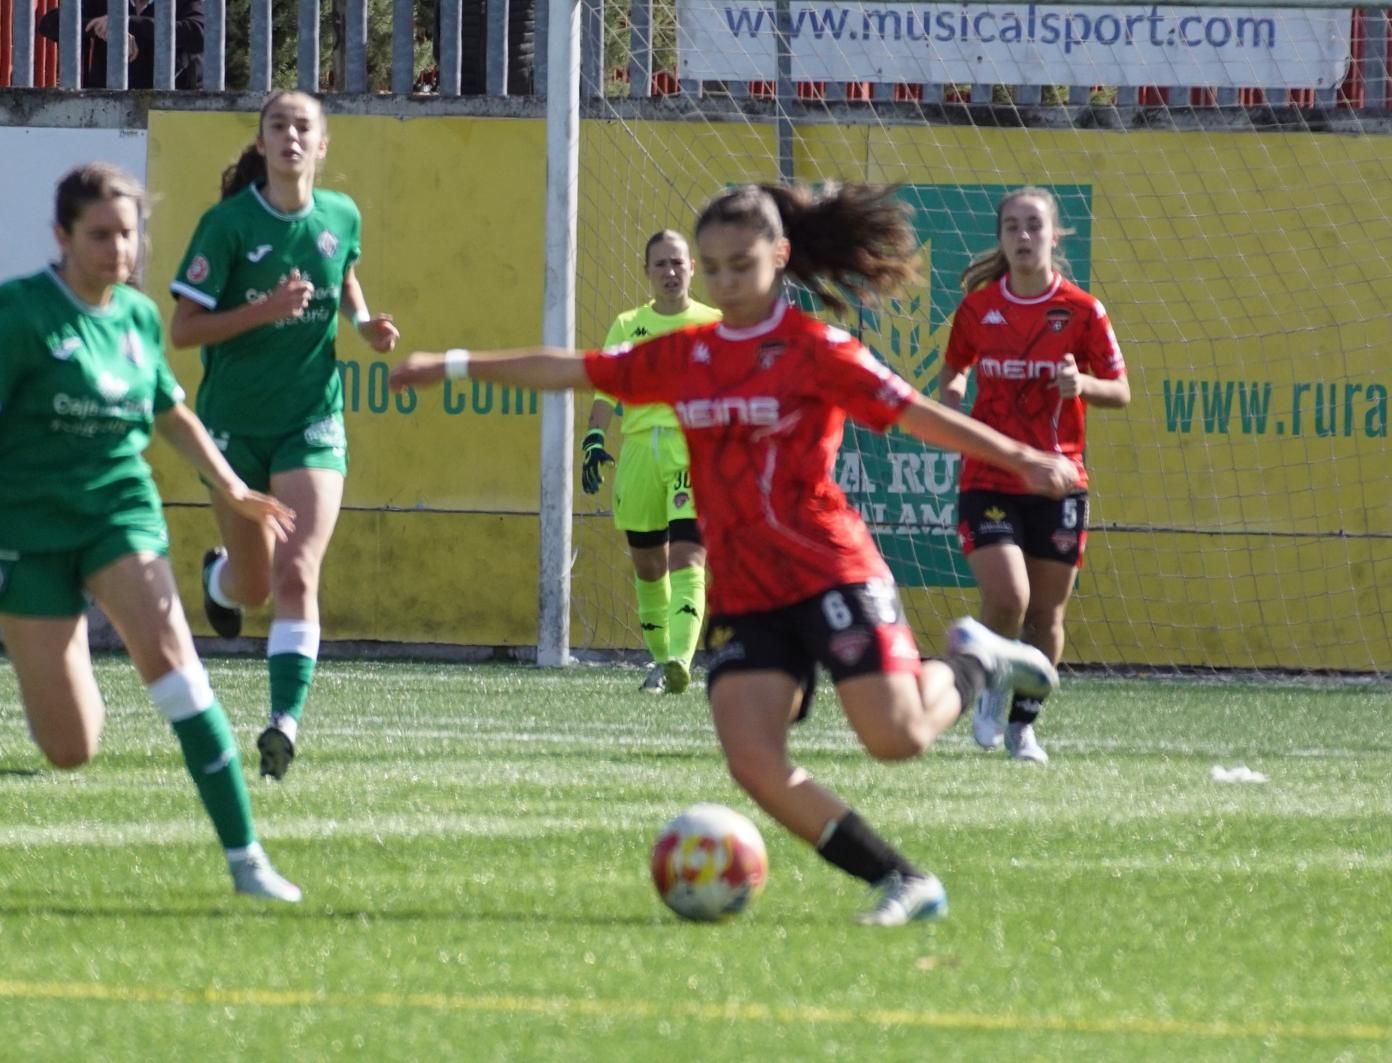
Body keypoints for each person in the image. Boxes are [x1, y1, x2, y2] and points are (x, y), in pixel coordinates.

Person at [391, 182, 1078, 926]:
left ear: (779, 258)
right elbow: (571, 368)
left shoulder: (819, 351)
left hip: (829, 568)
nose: (721, 282)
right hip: (749, 589)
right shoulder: (683, 355)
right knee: (752, 760)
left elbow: (916, 415)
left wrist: (1020, 458)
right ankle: (903, 880)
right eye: (711, 268)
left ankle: (972, 661)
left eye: (739, 266)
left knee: (897, 736)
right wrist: (453, 364)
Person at [0, 162, 302, 903]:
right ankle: (65, 648)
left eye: (127, 234)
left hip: (117, 514)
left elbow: (169, 409)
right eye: (99, 235)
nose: (116, 250)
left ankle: (247, 858)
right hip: (23, 530)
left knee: (178, 668)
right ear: (62, 236)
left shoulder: (135, 316)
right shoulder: (19, 312)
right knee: (71, 750)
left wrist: (231, 487)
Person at [169, 90, 399, 783]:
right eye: (279, 125)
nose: (291, 136)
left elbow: (347, 278)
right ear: (263, 143)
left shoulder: (341, 215)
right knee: (254, 585)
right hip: (233, 430)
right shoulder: (228, 225)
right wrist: (265, 310)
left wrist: (364, 326)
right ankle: (218, 577)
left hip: (311, 421)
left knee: (298, 572)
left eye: (304, 126)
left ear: (322, 145)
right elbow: (183, 329)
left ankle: (282, 724)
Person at [939, 186, 1131, 764]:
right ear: (1000, 239)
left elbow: (1120, 391)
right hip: (990, 475)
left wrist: (1084, 386)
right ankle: (990, 694)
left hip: (1058, 480)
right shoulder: (977, 309)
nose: (1023, 237)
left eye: (1033, 227)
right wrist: (950, 407)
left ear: (1053, 236)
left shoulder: (1082, 310)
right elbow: (952, 374)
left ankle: (1024, 725)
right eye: (1012, 228)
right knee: (1008, 597)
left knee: (1047, 615)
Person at [581, 230, 721, 695]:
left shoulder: (714, 323)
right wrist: (594, 436)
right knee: (648, 566)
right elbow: (606, 387)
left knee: (688, 556)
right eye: (660, 264)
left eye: (678, 263)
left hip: (692, 452)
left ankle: (681, 659)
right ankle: (662, 664)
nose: (670, 272)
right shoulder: (628, 325)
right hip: (639, 451)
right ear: (647, 272)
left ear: (692, 268)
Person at [37, 0, 205, 89]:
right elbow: (49, 23)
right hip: (108, 102)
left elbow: (200, 34)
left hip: (173, 102)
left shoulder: (183, 1)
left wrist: (126, 23)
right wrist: (102, 29)